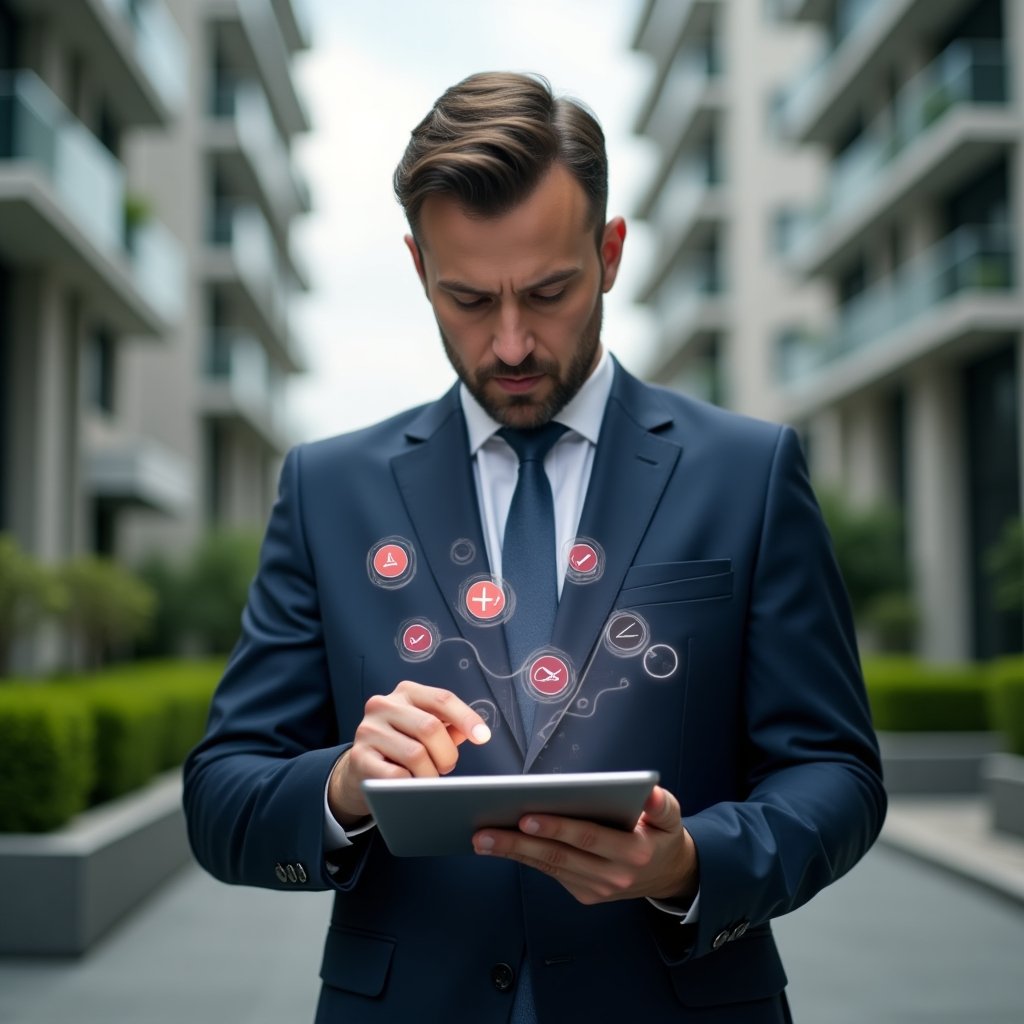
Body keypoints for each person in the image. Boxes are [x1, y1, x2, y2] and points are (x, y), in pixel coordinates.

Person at [184, 71, 886, 1023]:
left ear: (610, 253)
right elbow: (221, 797)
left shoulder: (748, 472)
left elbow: (837, 773)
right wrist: (343, 788)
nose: (511, 344)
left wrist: (691, 865)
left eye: (549, 292)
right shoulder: (327, 489)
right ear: (418, 269)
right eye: (468, 299)